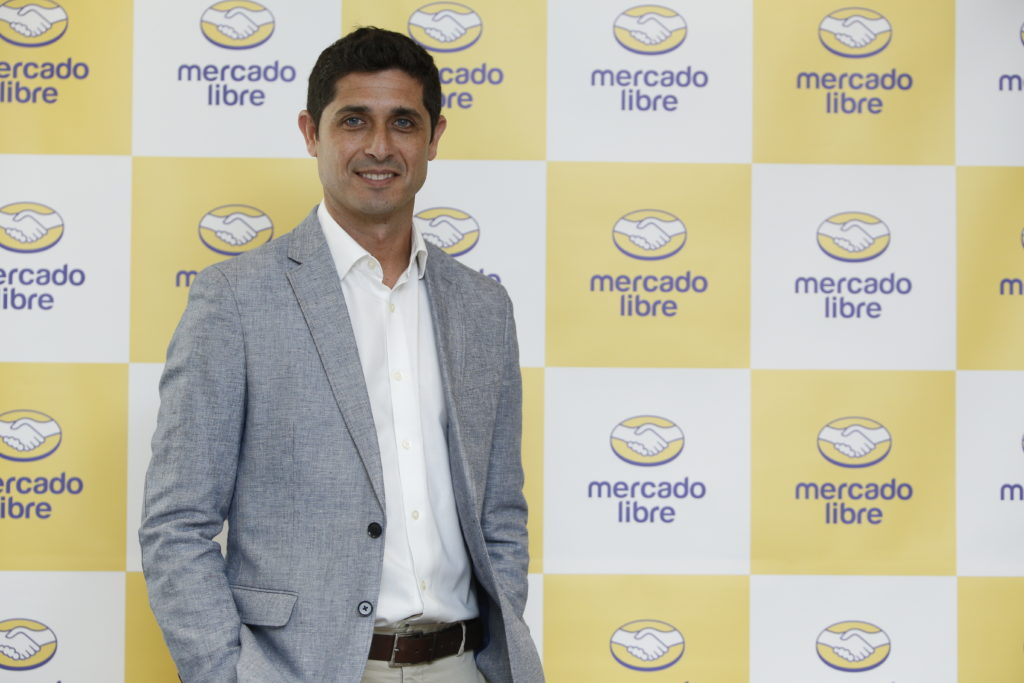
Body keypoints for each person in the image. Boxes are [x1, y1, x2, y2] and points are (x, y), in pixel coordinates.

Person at [139, 27, 543, 683]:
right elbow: (175, 525)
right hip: (302, 670)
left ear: (434, 137)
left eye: (403, 122)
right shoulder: (235, 300)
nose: (379, 146)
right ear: (311, 132)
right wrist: (228, 673)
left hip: (465, 666)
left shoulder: (483, 309)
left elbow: (499, 513)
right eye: (354, 120)